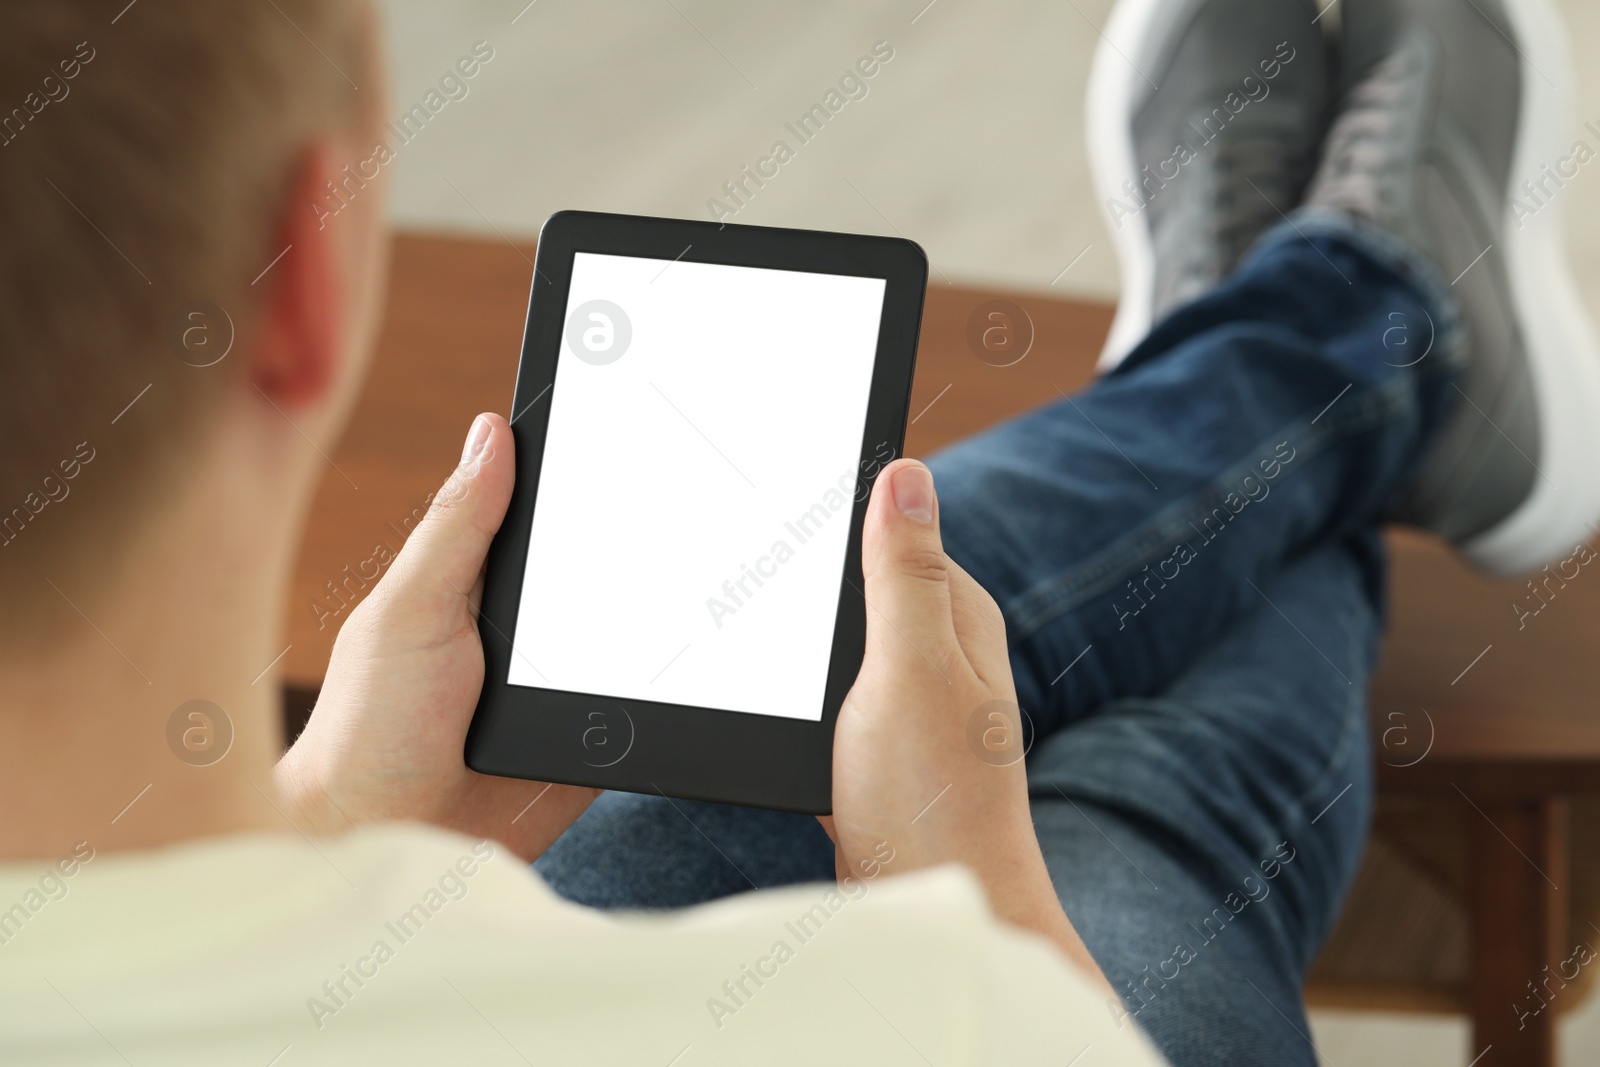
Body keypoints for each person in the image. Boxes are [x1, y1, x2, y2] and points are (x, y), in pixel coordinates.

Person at [0, 3, 1590, 1067]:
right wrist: (964, 889)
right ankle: (1348, 323)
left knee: (848, 694)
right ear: (310, 278)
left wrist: (345, 816)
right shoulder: (942, 1013)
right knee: (1105, 810)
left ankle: (1304, 333)